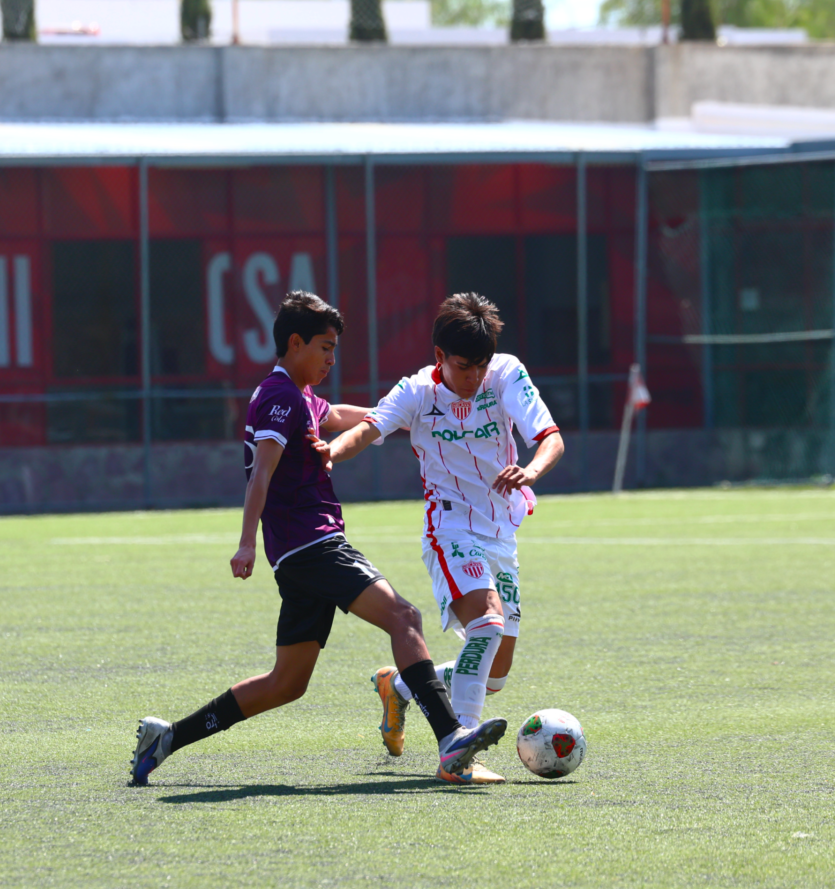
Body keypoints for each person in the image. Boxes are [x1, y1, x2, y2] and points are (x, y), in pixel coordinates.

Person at [130, 291, 507, 788]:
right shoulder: (280, 398)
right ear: (294, 342)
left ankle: (168, 738)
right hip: (313, 544)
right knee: (404, 616)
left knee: (287, 682)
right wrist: (246, 542)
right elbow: (260, 474)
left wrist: (403, 410)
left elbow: (346, 418)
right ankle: (450, 737)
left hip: (298, 555)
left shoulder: (299, 396)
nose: (332, 359)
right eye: (325, 348)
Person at [322, 292, 564, 784]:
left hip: (501, 530)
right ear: (439, 358)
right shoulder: (416, 393)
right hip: (449, 528)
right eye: (462, 366)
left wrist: (533, 470)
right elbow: (367, 431)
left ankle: (401, 688)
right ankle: (460, 749)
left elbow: (550, 437)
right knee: (488, 625)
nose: (474, 377)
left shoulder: (506, 374)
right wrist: (329, 453)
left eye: (480, 365)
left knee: (495, 673)